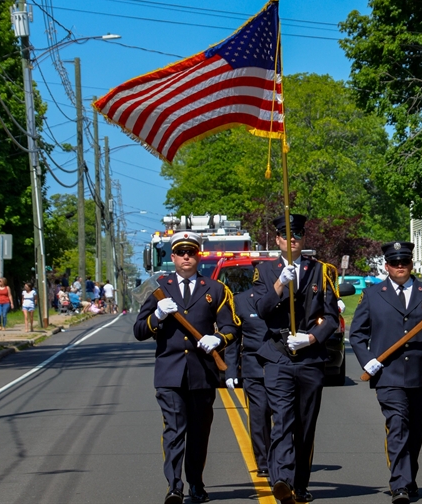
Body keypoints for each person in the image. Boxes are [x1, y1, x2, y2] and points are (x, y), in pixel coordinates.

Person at [134, 231, 240, 504]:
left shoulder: (214, 289)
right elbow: (139, 330)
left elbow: (231, 326)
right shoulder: (160, 288)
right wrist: (157, 314)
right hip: (169, 373)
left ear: (198, 255)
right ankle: (174, 486)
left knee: (199, 431)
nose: (186, 257)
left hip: (202, 372)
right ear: (172, 257)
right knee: (174, 430)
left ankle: (196, 483)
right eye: (181, 253)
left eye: (191, 252)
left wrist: (217, 338)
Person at [349, 241, 422, 503]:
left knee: (415, 428)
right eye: (395, 263)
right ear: (386, 266)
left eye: (405, 262)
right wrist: (367, 360)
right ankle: (400, 485)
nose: (400, 267)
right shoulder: (374, 295)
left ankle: (409, 477)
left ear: (411, 264)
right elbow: (357, 333)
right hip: (389, 373)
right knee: (397, 425)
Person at [252, 214, 340, 504]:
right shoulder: (264, 271)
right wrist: (279, 285)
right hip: (277, 355)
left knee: (305, 423)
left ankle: (300, 485)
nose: (292, 239)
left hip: (309, 357)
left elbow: (330, 317)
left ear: (304, 239)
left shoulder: (321, 271)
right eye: (286, 234)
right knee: (282, 419)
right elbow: (262, 309)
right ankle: (282, 480)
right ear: (277, 239)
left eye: (298, 234)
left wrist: (312, 338)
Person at [224, 289, 272, 478]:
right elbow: (233, 337)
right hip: (254, 366)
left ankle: (284, 457)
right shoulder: (240, 301)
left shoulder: (287, 296)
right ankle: (264, 461)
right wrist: (231, 369)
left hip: (283, 365)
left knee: (285, 416)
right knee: (259, 414)